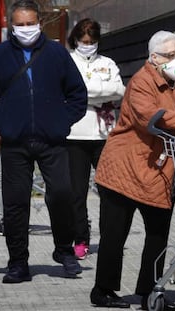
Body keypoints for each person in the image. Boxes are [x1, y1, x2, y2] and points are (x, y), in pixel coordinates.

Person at [89, 30, 175, 310]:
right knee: (115, 233)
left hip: (160, 172)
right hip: (124, 168)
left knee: (158, 233)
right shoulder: (141, 82)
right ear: (154, 58)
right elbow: (152, 118)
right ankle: (102, 290)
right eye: (171, 55)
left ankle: (151, 292)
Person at [0, 0, 88, 283]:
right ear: (12, 25)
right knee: (15, 204)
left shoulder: (57, 54)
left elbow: (77, 95)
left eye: (30, 24)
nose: (25, 29)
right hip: (15, 143)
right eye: (20, 25)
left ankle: (64, 250)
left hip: (52, 141)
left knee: (62, 194)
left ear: (40, 23)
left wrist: (62, 121)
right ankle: (18, 263)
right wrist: (3, 122)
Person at [66, 18, 125, 260]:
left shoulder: (108, 63)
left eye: (92, 42)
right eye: (84, 41)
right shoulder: (67, 62)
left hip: (104, 135)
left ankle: (109, 237)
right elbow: (67, 91)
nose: (88, 45)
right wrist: (101, 94)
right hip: (74, 135)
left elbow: (119, 91)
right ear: (76, 40)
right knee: (76, 193)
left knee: (109, 191)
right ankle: (80, 237)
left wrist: (85, 94)